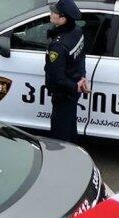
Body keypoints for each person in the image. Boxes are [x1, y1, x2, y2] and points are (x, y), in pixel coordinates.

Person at [45, 0, 91, 143]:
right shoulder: (77, 31)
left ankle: (64, 156)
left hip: (64, 93)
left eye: (54, 12)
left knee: (60, 136)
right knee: (70, 128)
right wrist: (82, 77)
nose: (51, 13)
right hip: (74, 88)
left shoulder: (57, 45)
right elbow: (81, 56)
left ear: (63, 19)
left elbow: (57, 77)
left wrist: (75, 86)